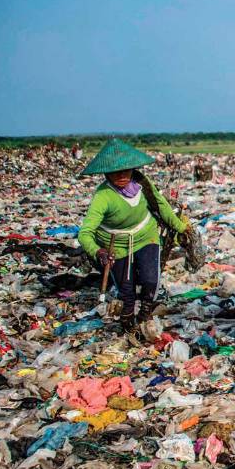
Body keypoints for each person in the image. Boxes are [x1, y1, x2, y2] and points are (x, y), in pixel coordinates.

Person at [77, 138, 190, 333]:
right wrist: (99, 252)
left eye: (126, 170)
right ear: (106, 173)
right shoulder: (103, 196)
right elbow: (85, 233)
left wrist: (181, 228)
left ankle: (145, 312)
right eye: (115, 172)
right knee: (126, 292)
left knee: (149, 280)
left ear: (133, 168)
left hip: (146, 236)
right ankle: (128, 324)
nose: (121, 175)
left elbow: (161, 205)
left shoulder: (142, 183)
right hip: (116, 245)